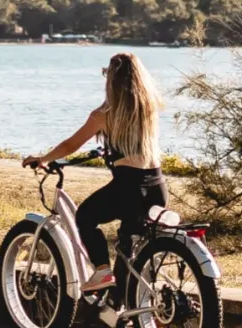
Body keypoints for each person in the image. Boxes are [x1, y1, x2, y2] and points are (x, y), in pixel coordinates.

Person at [21, 52, 166, 292]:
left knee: (85, 217)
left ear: (112, 80)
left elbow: (70, 145)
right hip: (157, 186)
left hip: (129, 187)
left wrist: (43, 159)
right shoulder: (149, 108)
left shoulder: (104, 115)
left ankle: (102, 271)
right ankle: (121, 303)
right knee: (128, 246)